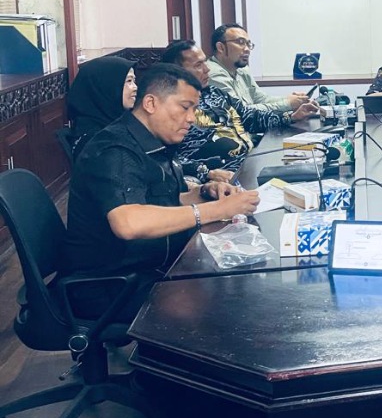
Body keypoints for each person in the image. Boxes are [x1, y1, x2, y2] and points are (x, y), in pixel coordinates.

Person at [61, 63, 259, 321]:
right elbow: (129, 222)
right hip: (112, 285)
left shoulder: (151, 140)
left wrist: (203, 193)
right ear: (151, 103)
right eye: (185, 107)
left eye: (195, 109)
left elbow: (160, 199)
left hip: (147, 268)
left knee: (239, 280)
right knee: (227, 301)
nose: (191, 118)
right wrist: (215, 210)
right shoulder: (115, 150)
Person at [163, 40, 311, 181]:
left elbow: (249, 117)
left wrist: (291, 117)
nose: (207, 69)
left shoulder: (215, 92)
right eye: (198, 65)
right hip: (223, 178)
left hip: (251, 163)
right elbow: (163, 158)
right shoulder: (169, 107)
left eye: (205, 62)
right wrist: (206, 172)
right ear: (176, 71)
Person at [207, 23, 318, 115]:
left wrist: (291, 99)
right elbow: (242, 112)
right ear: (221, 47)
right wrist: (288, 104)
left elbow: (261, 98)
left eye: (248, 44)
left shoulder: (242, 70)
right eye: (240, 42)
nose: (247, 49)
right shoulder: (213, 74)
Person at [66, 56, 139, 160]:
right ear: (106, 87)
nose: (135, 87)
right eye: (129, 81)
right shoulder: (97, 142)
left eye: (134, 81)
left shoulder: (117, 123)